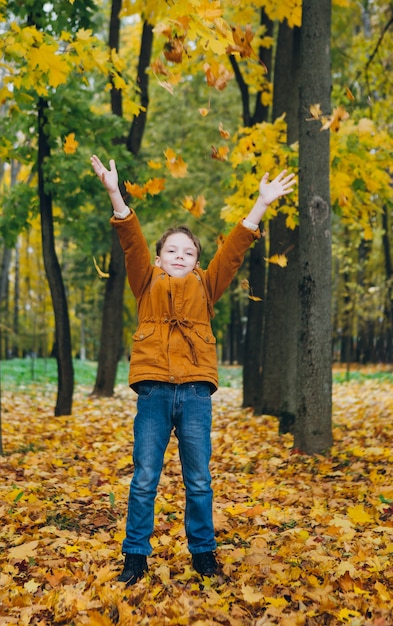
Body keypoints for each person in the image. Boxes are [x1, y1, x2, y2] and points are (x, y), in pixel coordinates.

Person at [90, 154, 296, 586]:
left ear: (197, 262)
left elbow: (234, 251)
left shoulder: (206, 284)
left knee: (199, 479)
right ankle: (135, 557)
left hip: (196, 395)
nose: (179, 256)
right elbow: (131, 242)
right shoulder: (145, 281)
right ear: (160, 258)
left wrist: (260, 204)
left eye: (188, 252)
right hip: (154, 394)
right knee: (145, 477)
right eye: (171, 251)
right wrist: (115, 193)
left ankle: (203, 553)